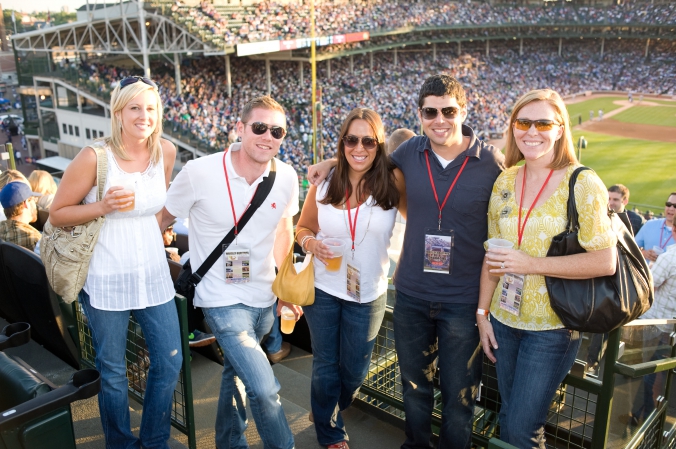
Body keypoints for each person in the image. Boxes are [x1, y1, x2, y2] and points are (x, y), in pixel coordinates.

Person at [309, 74, 504, 449]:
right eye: (430, 112)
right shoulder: (410, 151)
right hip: (412, 294)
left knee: (459, 396)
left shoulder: (491, 161)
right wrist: (329, 161)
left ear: (463, 111)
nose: (440, 119)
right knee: (414, 387)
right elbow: (363, 157)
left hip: (463, 299)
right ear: (419, 114)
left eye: (448, 111)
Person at [477, 89, 617, 448]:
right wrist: (482, 314)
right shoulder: (505, 180)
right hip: (505, 321)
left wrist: (532, 264)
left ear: (560, 129)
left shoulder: (582, 182)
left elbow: (605, 260)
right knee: (509, 416)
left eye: (543, 123)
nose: (531, 131)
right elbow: (491, 255)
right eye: (523, 122)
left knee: (522, 428)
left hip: (552, 328)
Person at [49, 76, 182, 449]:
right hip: (105, 276)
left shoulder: (165, 152)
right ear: (118, 112)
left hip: (154, 275)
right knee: (112, 372)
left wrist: (161, 232)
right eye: (135, 108)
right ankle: (120, 444)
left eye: (151, 108)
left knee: (170, 360)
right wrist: (103, 206)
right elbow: (57, 214)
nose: (144, 116)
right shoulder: (94, 156)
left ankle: (154, 440)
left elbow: (157, 211)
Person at [161, 95, 300, 449]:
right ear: (239, 129)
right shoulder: (199, 172)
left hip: (265, 297)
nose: (267, 136)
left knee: (235, 375)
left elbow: (284, 232)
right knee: (265, 389)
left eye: (277, 131)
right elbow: (160, 222)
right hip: (221, 298)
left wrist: (285, 290)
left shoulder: (286, 176)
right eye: (259, 127)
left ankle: (228, 442)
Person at [296, 108, 406, 449]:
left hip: (369, 292)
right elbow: (302, 228)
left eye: (368, 141)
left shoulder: (393, 182)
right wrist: (311, 243)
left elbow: (422, 219)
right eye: (351, 139)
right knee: (326, 362)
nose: (359, 147)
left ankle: (325, 405)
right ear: (342, 142)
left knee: (355, 371)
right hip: (324, 288)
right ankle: (330, 431)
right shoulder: (325, 182)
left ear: (379, 144)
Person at [620, 221, 676, 427]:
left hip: (655, 324)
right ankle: (646, 416)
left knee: (645, 373)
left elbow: (646, 287)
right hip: (669, 327)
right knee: (657, 373)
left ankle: (645, 418)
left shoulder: (669, 258)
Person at [634, 192, 676, 262]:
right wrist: (644, 253)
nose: (671, 209)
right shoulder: (649, 224)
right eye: (668, 205)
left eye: (675, 206)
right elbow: (632, 247)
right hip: (645, 272)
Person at [0, 182, 41, 251]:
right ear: (26, 203)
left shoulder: (2, 230)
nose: (35, 204)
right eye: (33, 200)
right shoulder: (35, 239)